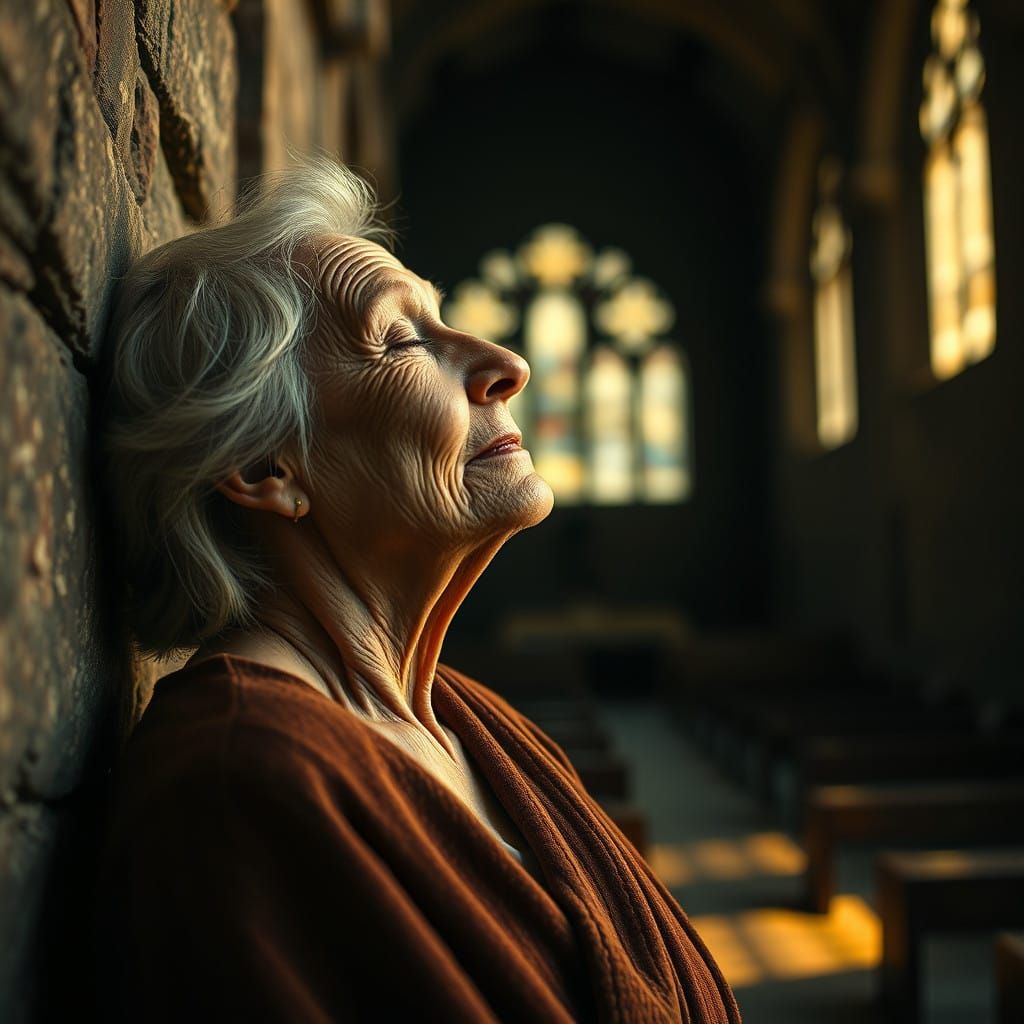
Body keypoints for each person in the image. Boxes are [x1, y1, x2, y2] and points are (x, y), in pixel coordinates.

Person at [93, 156, 740, 1023]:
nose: (507, 362)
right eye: (402, 340)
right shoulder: (239, 788)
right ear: (260, 466)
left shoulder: (467, 720)